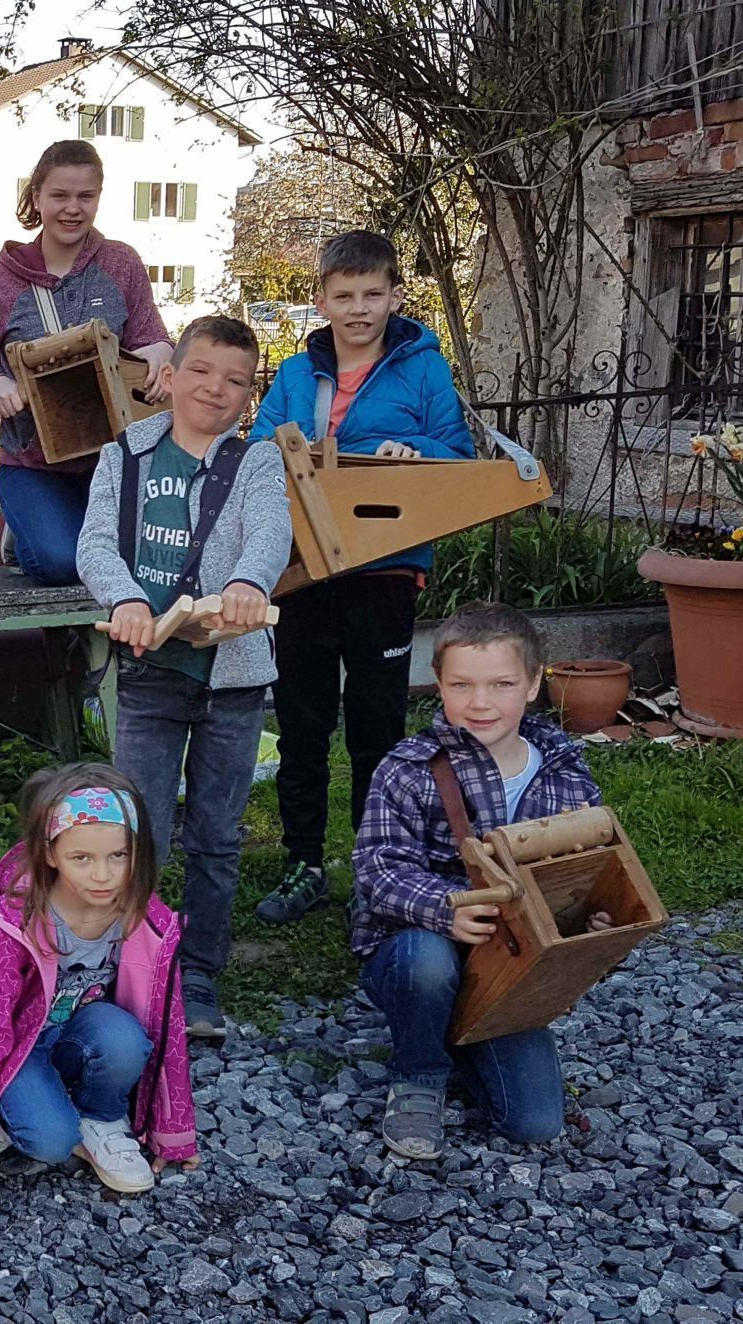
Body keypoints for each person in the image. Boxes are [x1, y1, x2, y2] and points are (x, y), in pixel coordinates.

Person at [249, 230, 476, 927]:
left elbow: (459, 454)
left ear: (396, 296)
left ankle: (381, 871)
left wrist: (412, 450)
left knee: (377, 726)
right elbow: (260, 449)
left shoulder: (423, 370)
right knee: (303, 722)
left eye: (371, 294)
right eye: (343, 295)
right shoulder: (294, 373)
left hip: (385, 567)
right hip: (305, 570)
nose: (357, 308)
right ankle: (305, 862)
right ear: (320, 300)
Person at [75, 315, 292, 1040]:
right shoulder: (125, 458)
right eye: (201, 372)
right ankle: (126, 958)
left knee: (217, 834)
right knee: (137, 832)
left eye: (236, 380)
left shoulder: (256, 462)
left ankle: (199, 973)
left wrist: (246, 584)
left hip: (233, 680)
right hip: (150, 674)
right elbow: (96, 545)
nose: (216, 389)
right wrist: (127, 597)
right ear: (169, 377)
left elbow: (269, 531)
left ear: (248, 395)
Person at [351, 603, 609, 1160]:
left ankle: (455, 1032)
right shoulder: (408, 767)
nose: (481, 702)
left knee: (535, 1122)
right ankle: (418, 1074)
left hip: (511, 967)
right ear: (438, 683)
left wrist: (593, 917)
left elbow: (586, 868)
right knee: (426, 963)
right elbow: (376, 868)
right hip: (417, 946)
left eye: (501, 684)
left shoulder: (567, 770)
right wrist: (448, 909)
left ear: (534, 683)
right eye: (461, 684)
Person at [0, 764, 196, 1216]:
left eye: (118, 856)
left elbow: (167, 1026)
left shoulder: (148, 921)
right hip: (18, 1048)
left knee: (125, 1039)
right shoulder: (11, 925)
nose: (103, 875)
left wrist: (173, 1132)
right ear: (50, 854)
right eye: (83, 858)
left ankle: (102, 1118)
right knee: (51, 1142)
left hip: (82, 1034)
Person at [0, 139, 176, 586]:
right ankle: (26, 530)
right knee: (62, 563)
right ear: (36, 197)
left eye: (85, 197)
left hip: (115, 460)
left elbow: (152, 337)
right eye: (59, 196)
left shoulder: (122, 264)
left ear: (98, 198)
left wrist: (160, 355)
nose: (72, 208)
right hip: (33, 464)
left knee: (141, 564)